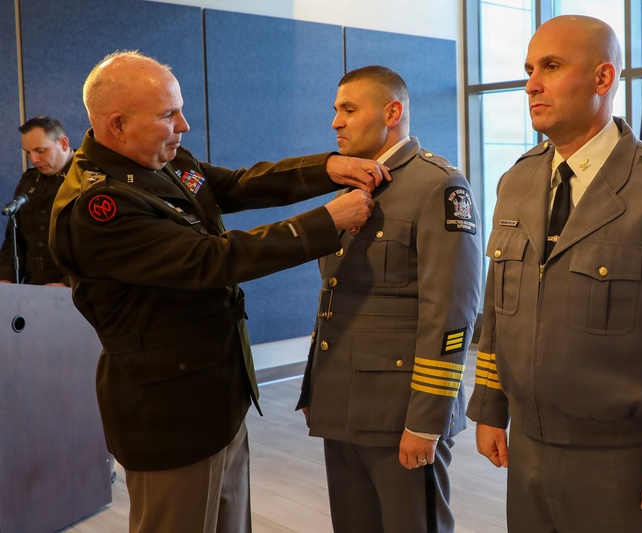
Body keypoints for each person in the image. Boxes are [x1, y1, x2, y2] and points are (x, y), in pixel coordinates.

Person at [48, 51, 389, 533]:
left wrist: (327, 168)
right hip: (171, 416)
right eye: (169, 114)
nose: (184, 125)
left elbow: (238, 184)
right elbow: (211, 260)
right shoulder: (100, 205)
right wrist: (326, 222)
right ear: (118, 125)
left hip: (215, 398)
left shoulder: (159, 158)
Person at [466, 15, 642, 533]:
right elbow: (500, 311)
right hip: (526, 452)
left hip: (625, 463)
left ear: (603, 79)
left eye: (551, 66)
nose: (531, 83)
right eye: (530, 68)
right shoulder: (518, 180)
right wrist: (489, 406)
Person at [296, 65, 482, 532]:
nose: (335, 122)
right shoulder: (350, 183)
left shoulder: (437, 185)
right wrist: (317, 389)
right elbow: (336, 296)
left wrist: (426, 418)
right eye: (336, 110)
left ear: (392, 112)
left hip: (400, 411)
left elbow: (451, 311)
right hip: (343, 403)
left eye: (348, 110)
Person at [0, 116, 72, 285]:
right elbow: (14, 240)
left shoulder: (88, 179)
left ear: (63, 143)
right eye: (28, 152)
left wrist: (69, 283)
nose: (33, 159)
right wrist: (5, 277)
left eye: (40, 150)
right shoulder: (29, 181)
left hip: (76, 292)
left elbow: (102, 247)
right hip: (34, 287)